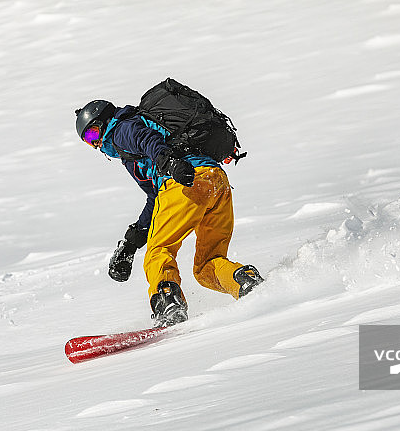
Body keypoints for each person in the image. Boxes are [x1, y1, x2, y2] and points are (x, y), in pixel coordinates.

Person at [74, 96, 263, 326]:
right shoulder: (132, 150)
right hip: (215, 181)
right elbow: (155, 199)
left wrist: (171, 163)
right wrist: (131, 242)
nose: (95, 144)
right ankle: (245, 281)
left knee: (158, 252)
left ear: (104, 122)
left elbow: (147, 140)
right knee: (206, 266)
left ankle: (168, 304)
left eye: (93, 134)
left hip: (184, 183)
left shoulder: (121, 128)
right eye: (87, 141)